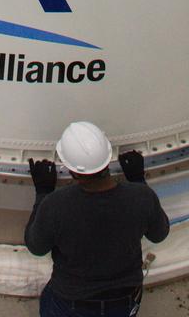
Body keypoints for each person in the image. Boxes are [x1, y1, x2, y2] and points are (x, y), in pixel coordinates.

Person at [25, 120, 169, 316]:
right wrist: (138, 180)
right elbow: (159, 234)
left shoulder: (56, 206)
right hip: (124, 299)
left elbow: (36, 246)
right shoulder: (141, 197)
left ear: (72, 170)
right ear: (107, 159)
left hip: (71, 301)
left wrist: (42, 193)